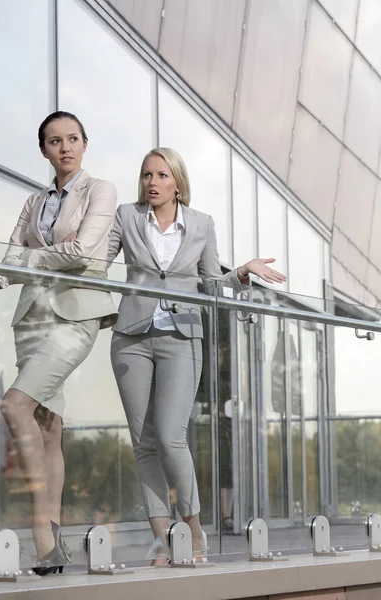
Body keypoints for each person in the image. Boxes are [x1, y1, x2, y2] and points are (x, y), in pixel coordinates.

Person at [107, 147, 286, 565]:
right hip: (131, 335)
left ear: (177, 182)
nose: (152, 182)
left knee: (171, 437)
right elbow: (97, 261)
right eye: (147, 174)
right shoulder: (127, 216)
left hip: (182, 338)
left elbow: (210, 285)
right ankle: (161, 541)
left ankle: (192, 529)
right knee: (144, 442)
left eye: (162, 175)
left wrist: (240, 273)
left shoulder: (201, 224)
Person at [0, 111, 117, 575]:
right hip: (31, 318)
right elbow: (8, 262)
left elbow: (85, 251)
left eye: (72, 139)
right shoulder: (34, 201)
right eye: (54, 141)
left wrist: (36, 257)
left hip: (75, 316)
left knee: (14, 406)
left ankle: (41, 536)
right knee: (48, 426)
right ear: (44, 150)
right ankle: (55, 534)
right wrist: (54, 254)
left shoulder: (100, 190)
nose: (64, 147)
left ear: (85, 144)